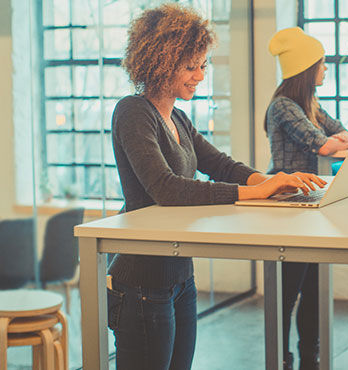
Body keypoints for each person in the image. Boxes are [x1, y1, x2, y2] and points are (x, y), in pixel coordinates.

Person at [108, 6, 325, 370]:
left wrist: (273, 182)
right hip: (142, 282)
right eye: (191, 67)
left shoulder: (177, 116)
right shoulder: (133, 112)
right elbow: (166, 188)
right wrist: (259, 192)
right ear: (162, 61)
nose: (200, 76)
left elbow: (221, 164)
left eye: (203, 65)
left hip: (179, 276)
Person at [265, 27, 348, 370]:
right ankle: (282, 357)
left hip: (311, 201)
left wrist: (339, 139)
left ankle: (309, 354)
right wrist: (338, 141)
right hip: (287, 206)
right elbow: (324, 144)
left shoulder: (309, 104)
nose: (326, 69)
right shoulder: (283, 107)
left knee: (315, 286)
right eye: (322, 63)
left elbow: (340, 130)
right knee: (288, 290)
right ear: (306, 68)